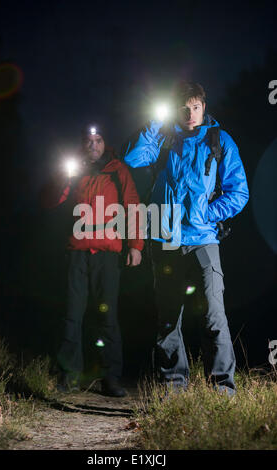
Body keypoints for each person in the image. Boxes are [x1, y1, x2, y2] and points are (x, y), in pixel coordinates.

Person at [123, 81, 249, 396]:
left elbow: (239, 192)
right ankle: (172, 389)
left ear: (203, 107)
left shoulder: (220, 141)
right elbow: (133, 159)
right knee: (168, 318)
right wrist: (154, 122)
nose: (190, 113)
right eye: (183, 107)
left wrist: (207, 213)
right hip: (165, 238)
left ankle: (222, 389)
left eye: (195, 106)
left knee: (213, 314)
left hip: (203, 239)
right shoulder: (165, 139)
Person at [41, 123, 143, 396]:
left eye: (98, 140)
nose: (94, 146)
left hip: (108, 255)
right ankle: (68, 376)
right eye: (89, 141)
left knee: (107, 318)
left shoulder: (117, 170)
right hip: (77, 252)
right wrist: (63, 175)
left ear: (104, 143)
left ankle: (111, 379)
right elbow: (50, 200)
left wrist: (136, 245)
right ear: (82, 144)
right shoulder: (73, 171)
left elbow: (133, 207)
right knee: (72, 315)